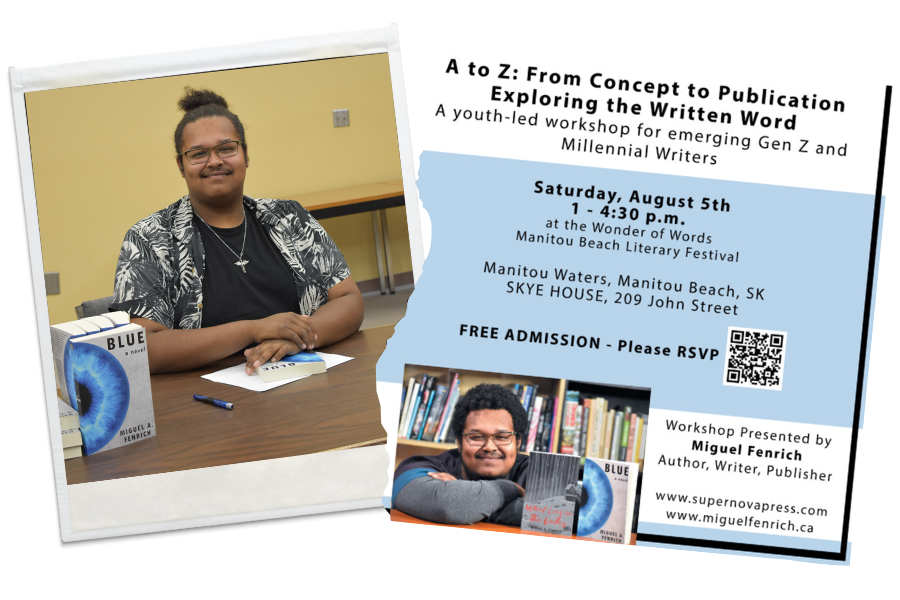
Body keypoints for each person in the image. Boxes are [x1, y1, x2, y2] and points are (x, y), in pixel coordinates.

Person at [109, 87, 364, 374]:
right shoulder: (150, 238)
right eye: (198, 154)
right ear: (181, 165)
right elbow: (143, 347)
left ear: (245, 155)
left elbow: (348, 299)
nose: (214, 161)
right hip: (206, 390)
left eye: (226, 148)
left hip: (299, 374)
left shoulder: (290, 218)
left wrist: (295, 338)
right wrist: (253, 330)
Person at [392, 383, 530, 525]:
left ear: (518, 442)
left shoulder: (534, 471)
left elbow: (548, 516)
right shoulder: (418, 467)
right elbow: (447, 506)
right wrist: (514, 489)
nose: (489, 447)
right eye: (476, 437)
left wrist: (467, 502)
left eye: (502, 437)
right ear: (459, 442)